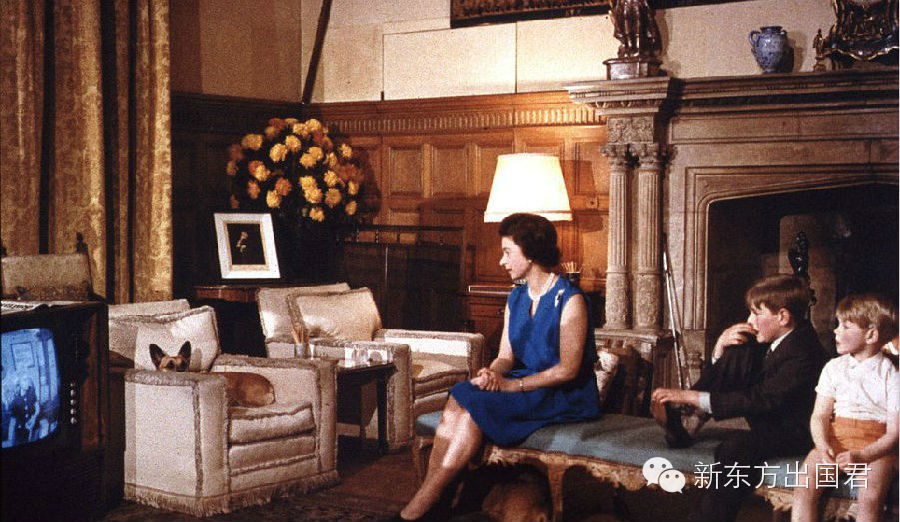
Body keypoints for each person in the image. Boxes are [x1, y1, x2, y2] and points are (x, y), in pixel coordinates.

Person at [395, 213, 600, 521]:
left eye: (507, 252)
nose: (502, 261)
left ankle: (424, 504)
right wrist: (492, 373)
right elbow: (506, 356)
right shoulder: (516, 297)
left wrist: (511, 386)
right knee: (464, 392)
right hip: (526, 383)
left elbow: (568, 371)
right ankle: (435, 497)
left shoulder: (570, 300)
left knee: (474, 407)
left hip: (563, 393)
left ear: (530, 254)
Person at [651, 274, 827, 522]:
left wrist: (693, 396)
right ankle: (691, 420)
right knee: (738, 347)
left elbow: (761, 399)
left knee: (736, 446)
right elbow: (739, 374)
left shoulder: (804, 351)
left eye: (756, 313)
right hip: (771, 422)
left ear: (783, 317)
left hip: (799, 433)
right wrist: (720, 347)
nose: (749, 321)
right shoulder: (782, 337)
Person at [792, 294, 898, 522]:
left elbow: (893, 434)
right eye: (837, 324)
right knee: (804, 486)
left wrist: (862, 455)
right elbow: (819, 415)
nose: (836, 331)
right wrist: (822, 446)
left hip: (876, 449)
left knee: (870, 497)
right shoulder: (833, 368)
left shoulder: (891, 374)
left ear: (871, 335)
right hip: (835, 443)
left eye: (845, 326)